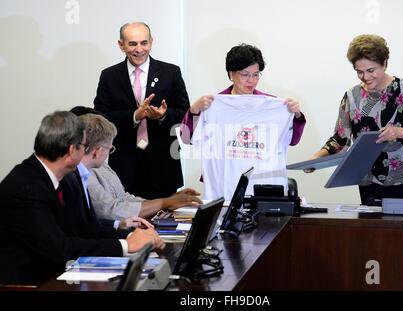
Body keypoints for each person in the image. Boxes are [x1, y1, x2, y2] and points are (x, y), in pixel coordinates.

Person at [0, 111, 164, 285]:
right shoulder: (27, 188)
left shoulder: (62, 177)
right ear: (72, 150)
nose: (87, 151)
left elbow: (83, 229)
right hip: (29, 283)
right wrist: (125, 245)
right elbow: (59, 249)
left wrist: (131, 236)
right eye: (84, 146)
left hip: (54, 274)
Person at [306, 34, 403, 205]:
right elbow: (340, 139)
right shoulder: (352, 96)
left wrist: (399, 132)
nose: (365, 77)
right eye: (359, 72)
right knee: (373, 231)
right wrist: (316, 157)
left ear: (385, 64)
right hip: (370, 179)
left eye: (371, 70)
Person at [94, 22, 190, 200]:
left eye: (144, 43)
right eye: (132, 44)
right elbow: (100, 116)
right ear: (121, 45)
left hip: (163, 164)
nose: (139, 49)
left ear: (151, 42)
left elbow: (184, 112)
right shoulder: (109, 76)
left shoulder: (171, 72)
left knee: (165, 224)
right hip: (125, 164)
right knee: (128, 223)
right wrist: (134, 116)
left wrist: (163, 116)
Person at [76, 111, 202, 221]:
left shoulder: (101, 166)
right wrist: (165, 202)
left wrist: (167, 201)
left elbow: (124, 198)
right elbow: (111, 211)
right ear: (98, 151)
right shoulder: (80, 173)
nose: (110, 152)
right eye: (110, 148)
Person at [180, 43, 306, 145]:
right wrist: (194, 110)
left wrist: (296, 115)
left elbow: (292, 140)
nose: (251, 80)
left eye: (255, 74)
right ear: (231, 74)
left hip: (259, 174)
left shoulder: (271, 104)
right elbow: (186, 138)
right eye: (245, 74)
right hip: (221, 174)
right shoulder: (212, 104)